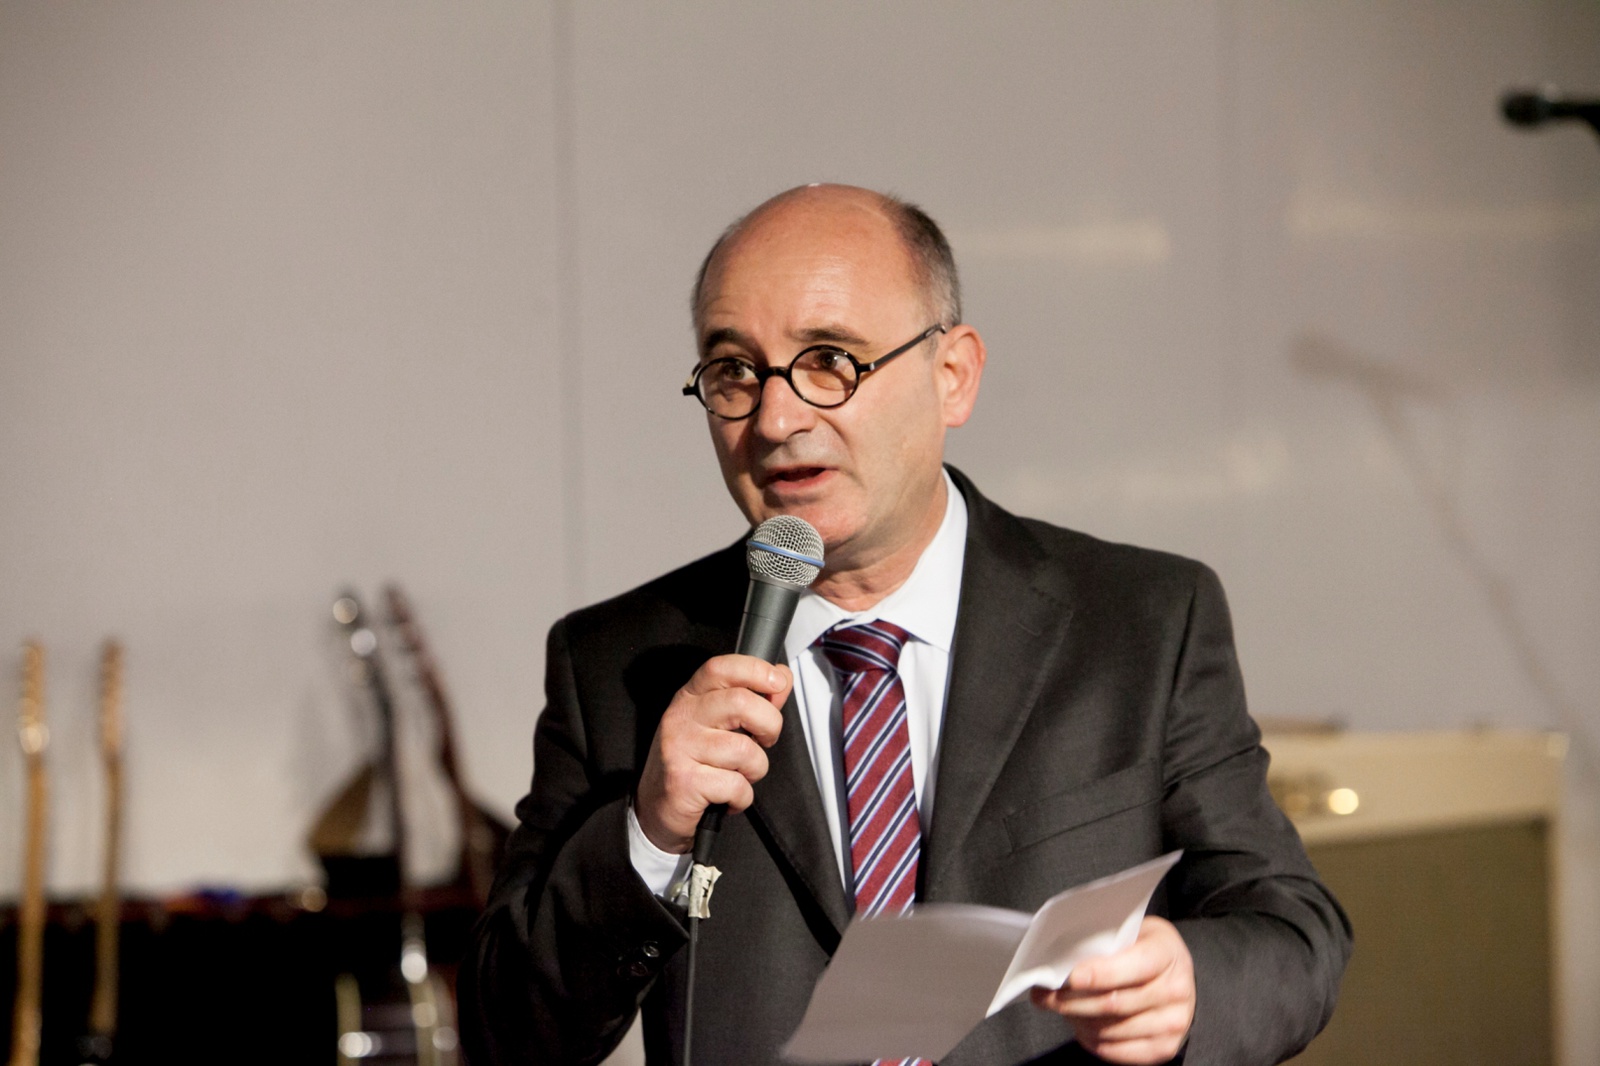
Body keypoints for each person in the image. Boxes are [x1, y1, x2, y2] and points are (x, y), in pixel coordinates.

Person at [460, 184, 1350, 1066]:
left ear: (952, 375)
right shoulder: (617, 665)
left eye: (829, 361)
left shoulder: (1140, 624)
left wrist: (1189, 984)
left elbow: (1293, 932)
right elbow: (506, 1030)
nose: (776, 419)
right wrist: (648, 835)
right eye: (734, 371)